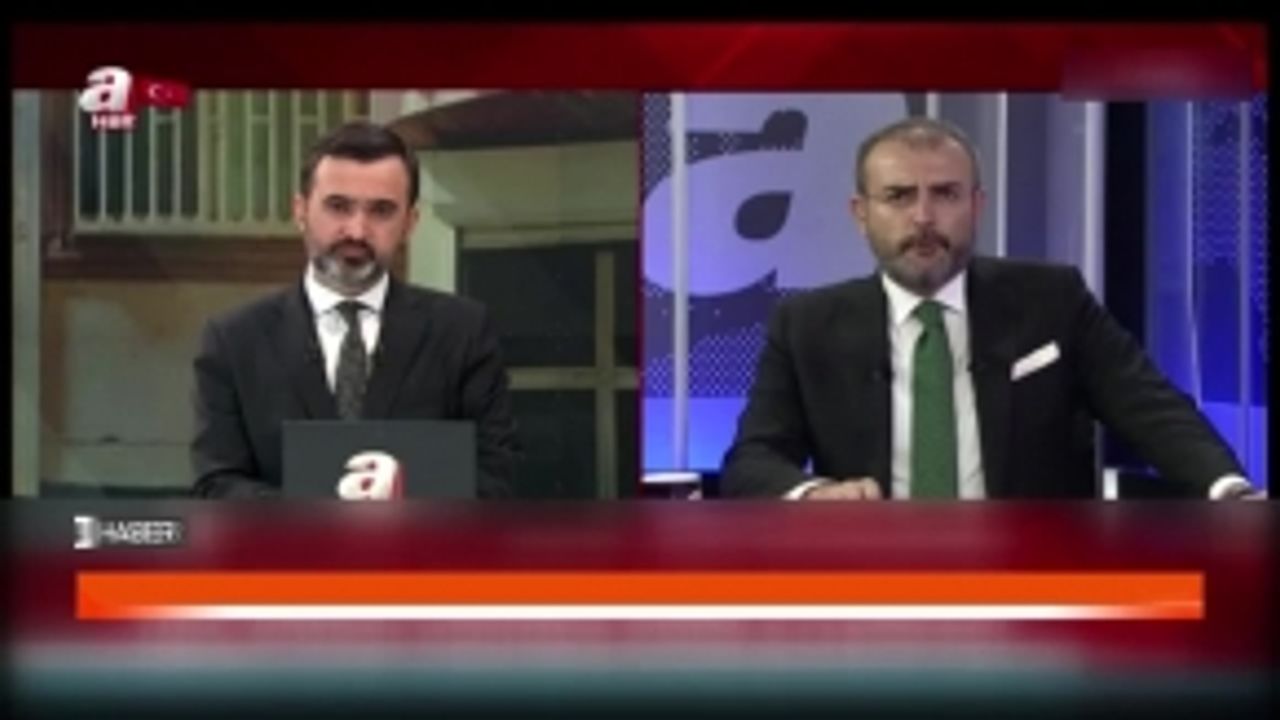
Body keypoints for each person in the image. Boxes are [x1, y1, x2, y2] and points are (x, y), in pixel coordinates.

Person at [720, 116, 1258, 501]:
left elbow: (1153, 411)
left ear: (977, 206)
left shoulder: (1052, 299)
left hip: (1032, 570)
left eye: (946, 194)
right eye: (899, 196)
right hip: (874, 570)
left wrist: (1230, 491)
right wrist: (814, 494)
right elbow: (752, 460)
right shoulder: (807, 324)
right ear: (861, 213)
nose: (923, 217)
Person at [191, 121, 519, 498]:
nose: (357, 231)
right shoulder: (234, 341)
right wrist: (325, 514)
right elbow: (217, 485)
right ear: (300, 210)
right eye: (338, 207)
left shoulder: (462, 333)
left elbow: (495, 478)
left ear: (410, 223)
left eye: (381, 211)